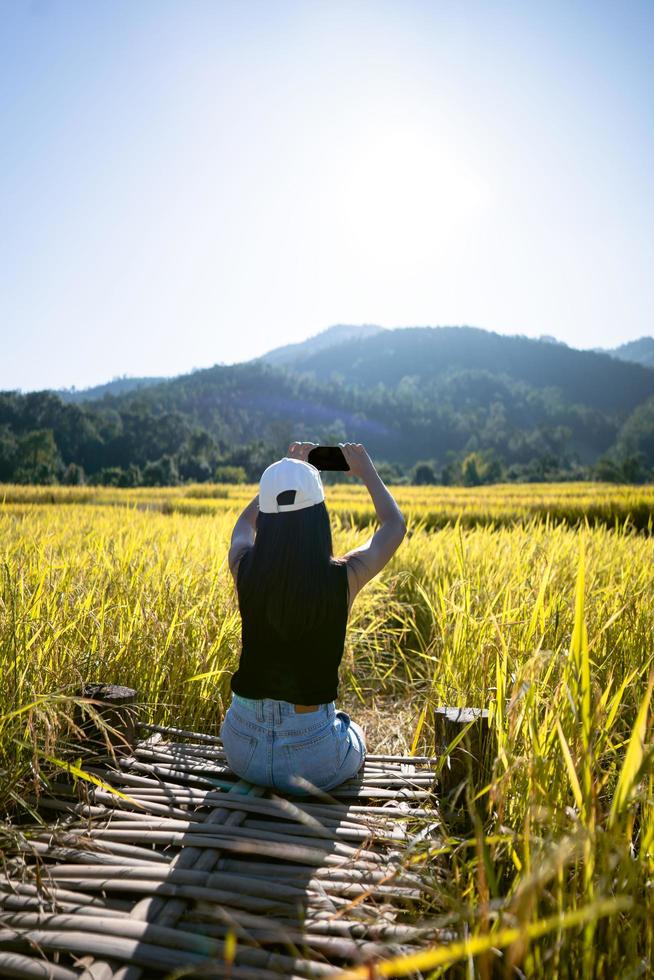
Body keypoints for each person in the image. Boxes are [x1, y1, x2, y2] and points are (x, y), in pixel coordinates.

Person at [219, 441, 407, 795]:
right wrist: (366, 472)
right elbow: (394, 525)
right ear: (319, 516)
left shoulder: (244, 567)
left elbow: (243, 524)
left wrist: (281, 477)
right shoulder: (344, 577)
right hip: (311, 760)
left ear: (268, 516)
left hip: (241, 748)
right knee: (353, 733)